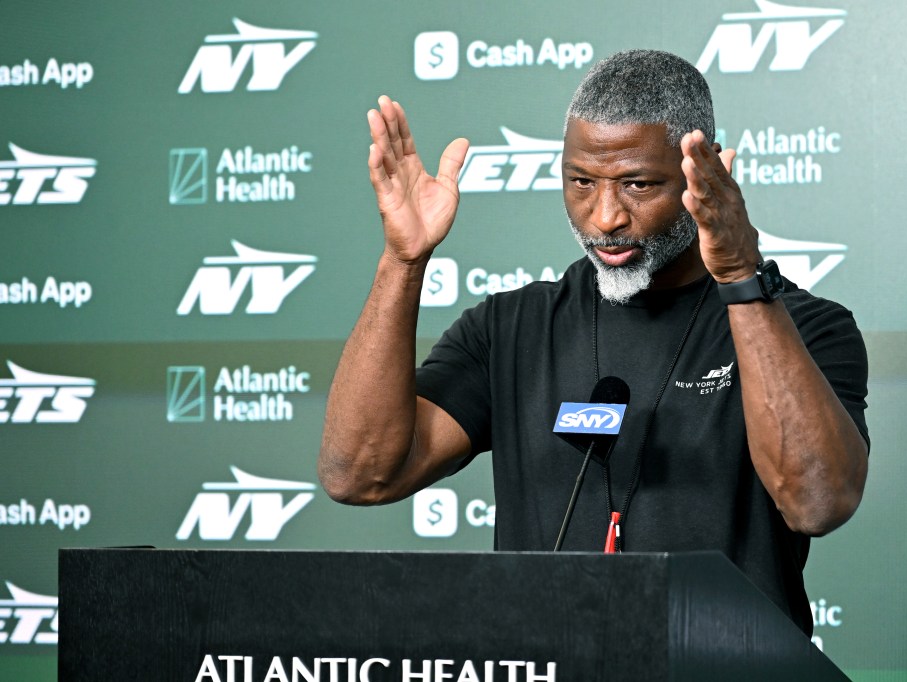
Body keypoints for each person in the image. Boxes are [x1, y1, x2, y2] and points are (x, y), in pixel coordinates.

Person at [319, 50, 869, 634]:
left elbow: (817, 502)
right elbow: (359, 474)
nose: (605, 217)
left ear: (701, 171)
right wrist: (403, 261)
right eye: (582, 181)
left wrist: (739, 277)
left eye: (637, 184)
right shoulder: (510, 328)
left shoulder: (805, 329)